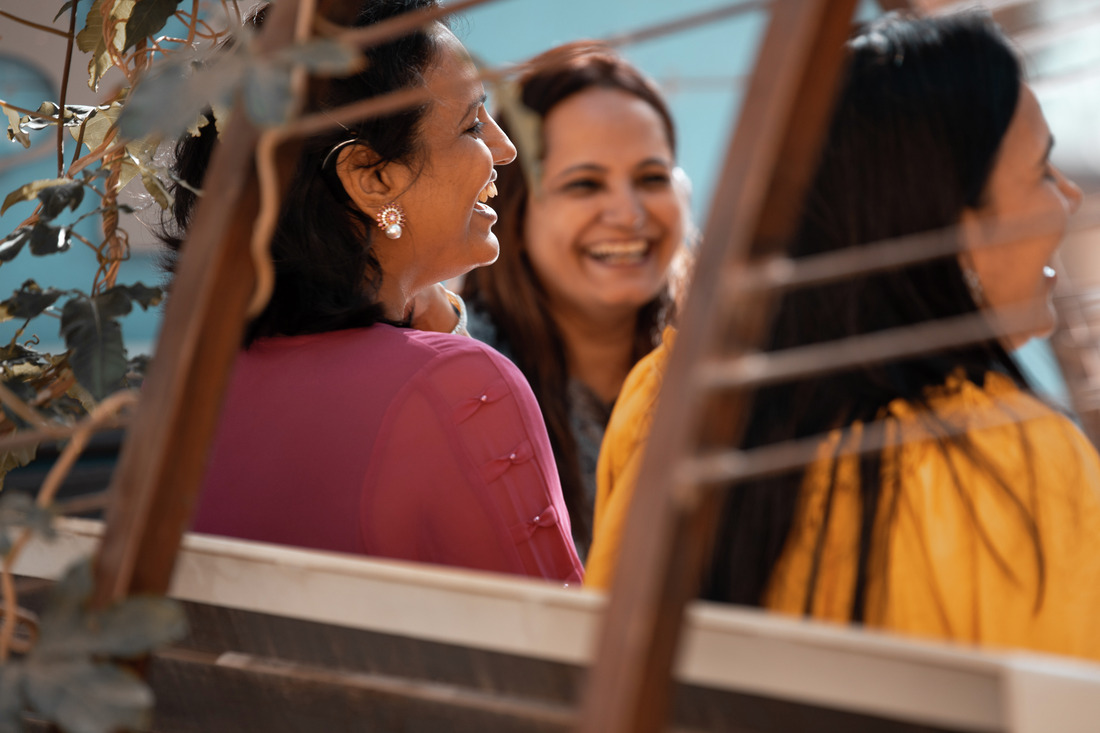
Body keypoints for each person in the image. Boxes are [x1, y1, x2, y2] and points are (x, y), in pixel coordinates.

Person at [586, 13, 1100, 660]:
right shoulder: (1022, 463)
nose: (1071, 197)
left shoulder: (666, 401)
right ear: (951, 226)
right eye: (1043, 172)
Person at [160, 0, 583, 583]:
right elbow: (563, 651)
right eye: (473, 123)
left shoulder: (190, 387)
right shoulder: (461, 388)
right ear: (373, 178)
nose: (505, 149)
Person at [461, 42, 689, 558]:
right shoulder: (467, 381)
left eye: (651, 178)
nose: (628, 214)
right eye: (585, 184)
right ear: (515, 211)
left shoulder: (726, 362)